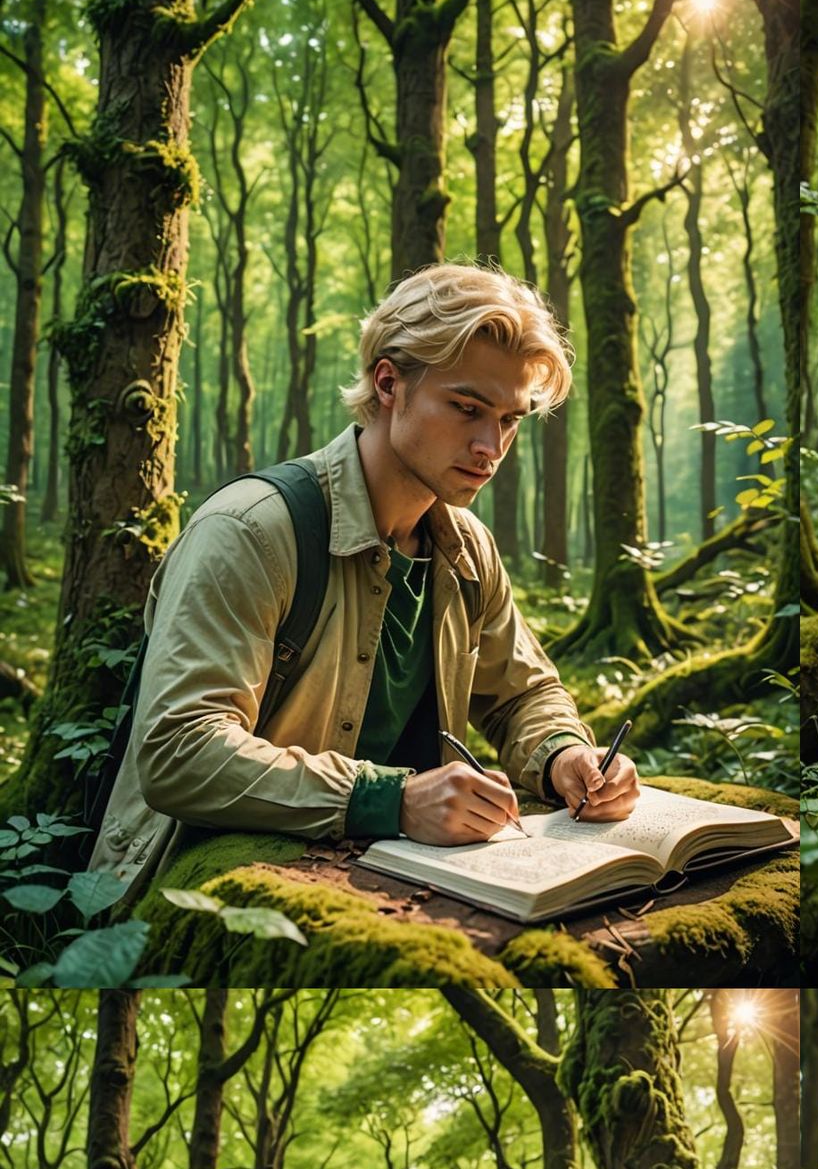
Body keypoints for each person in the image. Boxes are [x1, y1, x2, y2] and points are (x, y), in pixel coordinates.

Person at [91, 262, 641, 898]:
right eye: (467, 408)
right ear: (389, 383)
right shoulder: (251, 532)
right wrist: (391, 798)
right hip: (196, 885)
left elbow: (521, 695)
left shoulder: (467, 550)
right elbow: (182, 752)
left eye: (512, 419)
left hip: (390, 879)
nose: (491, 445)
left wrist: (565, 757)